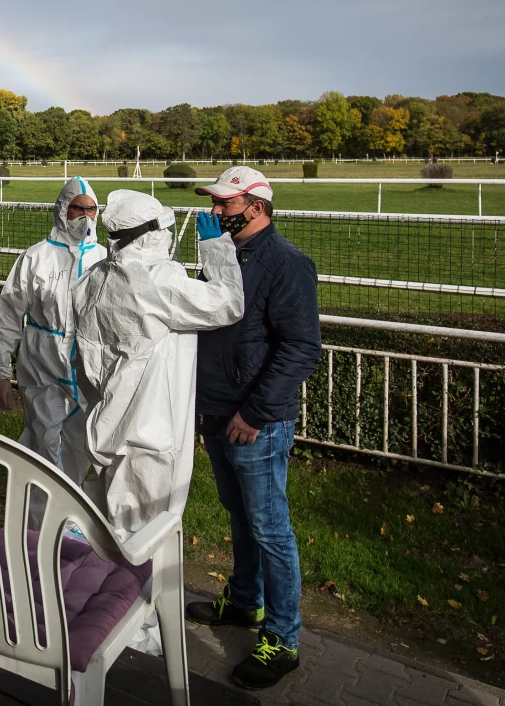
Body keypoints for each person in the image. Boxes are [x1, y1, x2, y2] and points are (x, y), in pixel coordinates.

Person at [184, 166, 321, 690]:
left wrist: (255, 413)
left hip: (253, 422)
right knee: (239, 516)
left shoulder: (287, 264)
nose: (216, 213)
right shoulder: (223, 256)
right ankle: (244, 602)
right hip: (217, 412)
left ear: (257, 206)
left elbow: (301, 348)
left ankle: (283, 639)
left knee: (270, 528)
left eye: (225, 204)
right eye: (215, 204)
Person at [72, 190, 243, 539]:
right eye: (165, 227)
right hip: (150, 434)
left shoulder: (92, 278)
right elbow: (228, 304)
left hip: (106, 422)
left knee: (106, 523)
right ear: (149, 233)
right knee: (142, 539)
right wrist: (216, 249)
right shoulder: (160, 280)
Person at [0, 177, 105, 486]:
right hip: (42, 368)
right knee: (45, 444)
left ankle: (67, 515)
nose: (85, 216)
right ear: (62, 210)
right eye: (77, 209)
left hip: (88, 373)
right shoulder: (36, 257)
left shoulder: (105, 259)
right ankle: (40, 522)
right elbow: (8, 316)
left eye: (91, 209)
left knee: (81, 447)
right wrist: (1, 374)